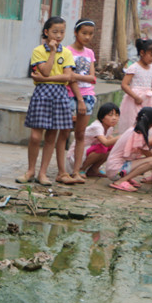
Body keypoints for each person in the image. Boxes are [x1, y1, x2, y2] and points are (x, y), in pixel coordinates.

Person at [17, 17, 78, 187]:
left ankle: (42, 173)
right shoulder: (38, 51)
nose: (59, 36)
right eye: (55, 31)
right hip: (42, 95)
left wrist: (46, 79)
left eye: (62, 32)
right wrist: (52, 52)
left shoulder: (66, 53)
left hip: (60, 95)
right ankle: (30, 170)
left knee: (51, 136)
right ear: (46, 32)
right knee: (36, 136)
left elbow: (68, 76)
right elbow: (44, 70)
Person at [65, 19, 97, 182]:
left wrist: (76, 76)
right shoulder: (67, 51)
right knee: (63, 133)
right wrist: (79, 99)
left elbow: (92, 77)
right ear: (76, 32)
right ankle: (63, 171)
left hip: (89, 96)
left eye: (90, 34)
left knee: (80, 134)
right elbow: (69, 78)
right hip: (71, 96)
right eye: (84, 33)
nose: (87, 37)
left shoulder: (90, 53)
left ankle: (76, 171)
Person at [106, 107, 152, 193]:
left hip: (114, 169)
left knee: (150, 160)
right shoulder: (138, 134)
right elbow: (149, 154)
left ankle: (125, 178)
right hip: (116, 172)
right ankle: (121, 180)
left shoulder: (133, 130)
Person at [116, 39, 152, 136]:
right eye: (151, 55)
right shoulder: (134, 67)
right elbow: (124, 85)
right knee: (133, 123)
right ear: (142, 52)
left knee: (148, 124)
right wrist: (135, 97)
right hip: (134, 101)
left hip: (147, 100)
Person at [68, 103, 120, 179]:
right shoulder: (97, 127)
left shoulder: (109, 128)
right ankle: (81, 169)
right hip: (76, 155)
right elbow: (105, 143)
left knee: (112, 147)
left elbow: (111, 141)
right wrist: (121, 137)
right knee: (102, 147)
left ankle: (93, 169)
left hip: (87, 152)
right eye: (110, 115)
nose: (114, 118)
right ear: (102, 117)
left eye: (117, 115)